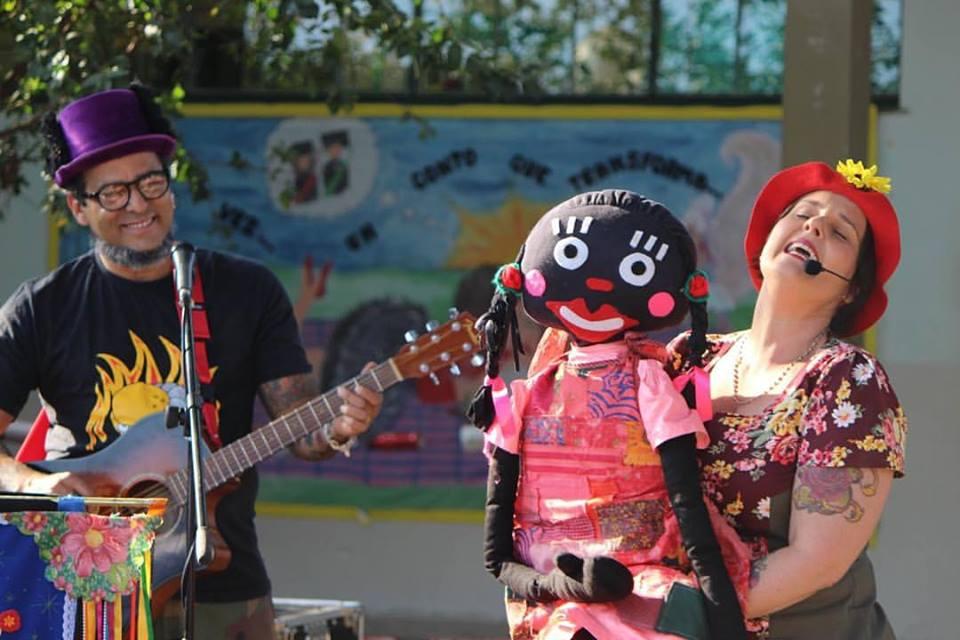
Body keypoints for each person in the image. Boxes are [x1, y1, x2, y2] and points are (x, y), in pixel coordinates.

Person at [0, 85, 383, 639]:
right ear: (78, 207)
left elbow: (302, 428)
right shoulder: (42, 306)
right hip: (81, 588)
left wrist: (341, 426)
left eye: (150, 181)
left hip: (223, 585)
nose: (137, 203)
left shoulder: (246, 291)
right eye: (112, 192)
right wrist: (41, 487)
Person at [469, 190, 752, 639]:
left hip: (646, 585)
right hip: (554, 599)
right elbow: (498, 557)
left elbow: (689, 510)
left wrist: (723, 621)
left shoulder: (648, 384)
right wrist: (556, 585)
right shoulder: (524, 399)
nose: (598, 290)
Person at [667, 160, 907, 639]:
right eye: (801, 213)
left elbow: (815, 563)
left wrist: (666, 612)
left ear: (851, 290)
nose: (814, 225)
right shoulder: (689, 357)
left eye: (840, 232)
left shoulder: (847, 379)